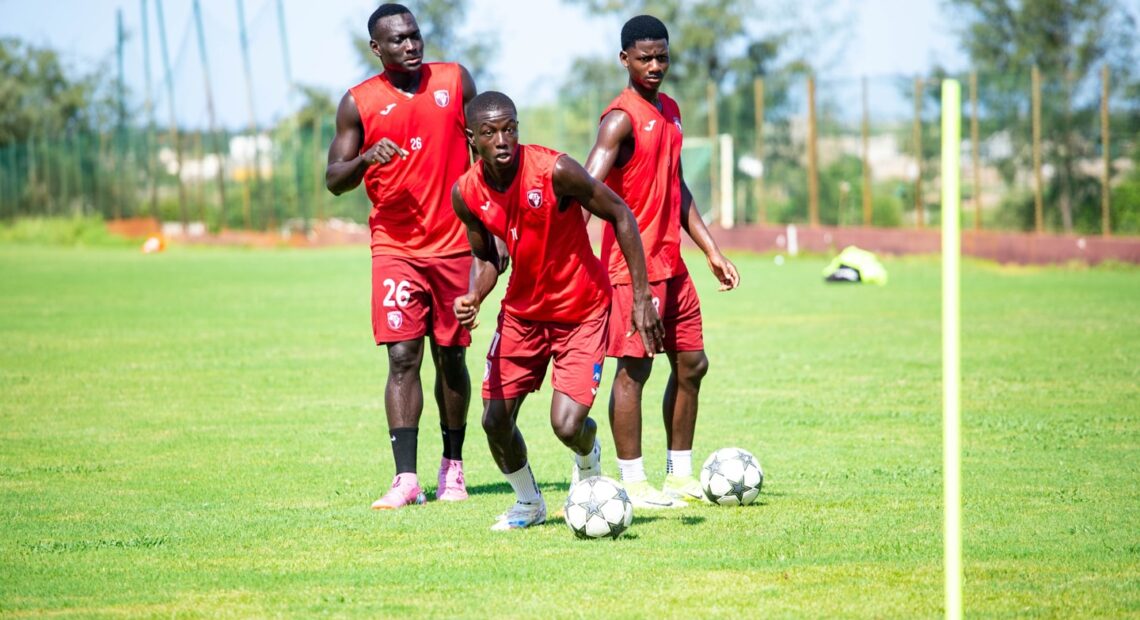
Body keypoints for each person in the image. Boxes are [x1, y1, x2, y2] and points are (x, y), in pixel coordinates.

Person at [450, 91, 663, 531]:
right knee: (494, 420)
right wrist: (474, 295)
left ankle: (589, 458)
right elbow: (488, 256)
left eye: (510, 128)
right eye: (490, 133)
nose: (502, 140)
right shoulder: (466, 192)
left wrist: (641, 297)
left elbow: (620, 213)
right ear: (472, 139)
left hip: (582, 312)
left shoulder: (555, 170)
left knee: (567, 426)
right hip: (522, 315)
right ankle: (529, 504)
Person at [325, 3, 479, 510]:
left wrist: (491, 224)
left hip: (455, 244)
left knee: (451, 356)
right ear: (376, 48)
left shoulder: (454, 81)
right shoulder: (359, 102)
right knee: (401, 357)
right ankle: (406, 479)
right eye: (398, 40)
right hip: (395, 248)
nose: (410, 45)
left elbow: (485, 153)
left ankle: (452, 468)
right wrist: (365, 158)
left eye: (414, 35)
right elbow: (334, 179)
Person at [583, 15, 741, 508]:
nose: (654, 66)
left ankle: (679, 474)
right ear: (624, 59)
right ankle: (633, 482)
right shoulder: (619, 119)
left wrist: (711, 250)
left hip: (673, 265)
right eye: (644, 58)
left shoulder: (670, 110)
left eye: (662, 57)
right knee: (634, 371)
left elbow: (677, 186)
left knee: (693, 364)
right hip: (631, 271)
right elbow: (587, 186)